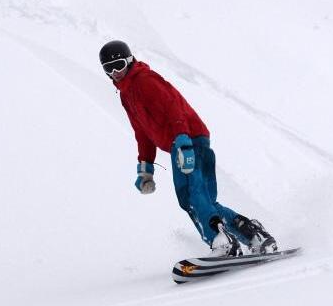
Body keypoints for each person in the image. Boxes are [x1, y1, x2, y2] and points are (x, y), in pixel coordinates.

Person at [99, 40, 278, 257]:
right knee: (198, 199)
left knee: (195, 196)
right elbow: (142, 133)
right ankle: (253, 235)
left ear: (128, 61)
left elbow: (173, 106)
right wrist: (145, 169)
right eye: (109, 68)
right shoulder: (127, 95)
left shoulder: (145, 81)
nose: (115, 72)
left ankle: (222, 242)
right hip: (181, 142)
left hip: (189, 139)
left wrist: (183, 141)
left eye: (118, 64)